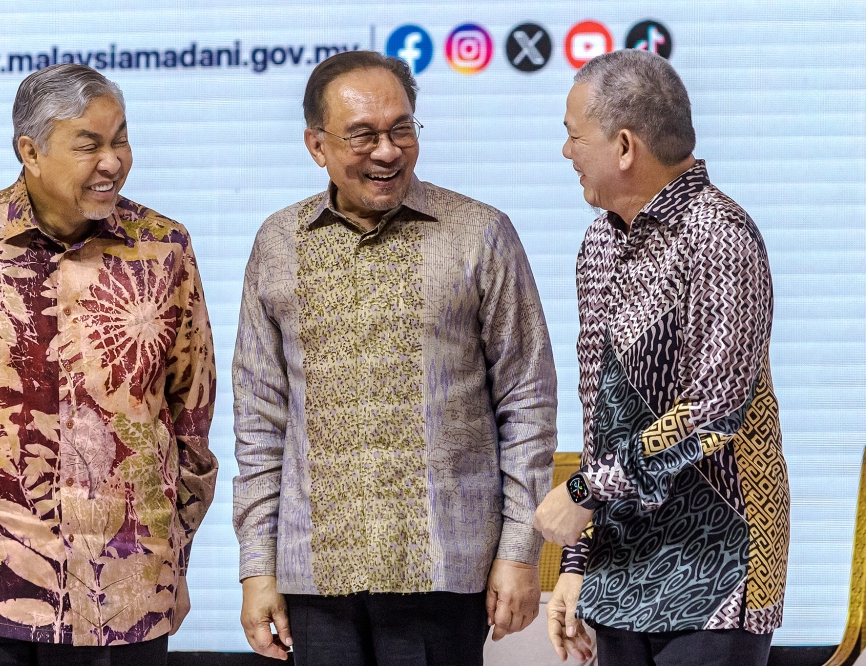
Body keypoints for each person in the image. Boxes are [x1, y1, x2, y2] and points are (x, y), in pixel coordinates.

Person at [0, 63, 217, 665]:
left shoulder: (164, 248)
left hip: (126, 591)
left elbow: (191, 414)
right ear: (30, 151)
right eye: (89, 145)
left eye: (120, 141)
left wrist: (174, 553)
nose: (112, 161)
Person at [232, 50, 558, 665]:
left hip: (443, 573)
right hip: (315, 577)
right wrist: (257, 568)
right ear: (317, 144)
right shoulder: (278, 242)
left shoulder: (479, 233)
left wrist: (519, 550)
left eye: (401, 129)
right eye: (362, 135)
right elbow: (259, 421)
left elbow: (527, 400)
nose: (387, 152)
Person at [534, 49, 789, 666]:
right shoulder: (598, 242)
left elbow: (712, 413)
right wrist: (578, 561)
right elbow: (603, 418)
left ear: (624, 146)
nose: (566, 152)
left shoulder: (721, 235)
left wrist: (584, 490)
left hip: (717, 568)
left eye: (575, 137)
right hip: (621, 570)